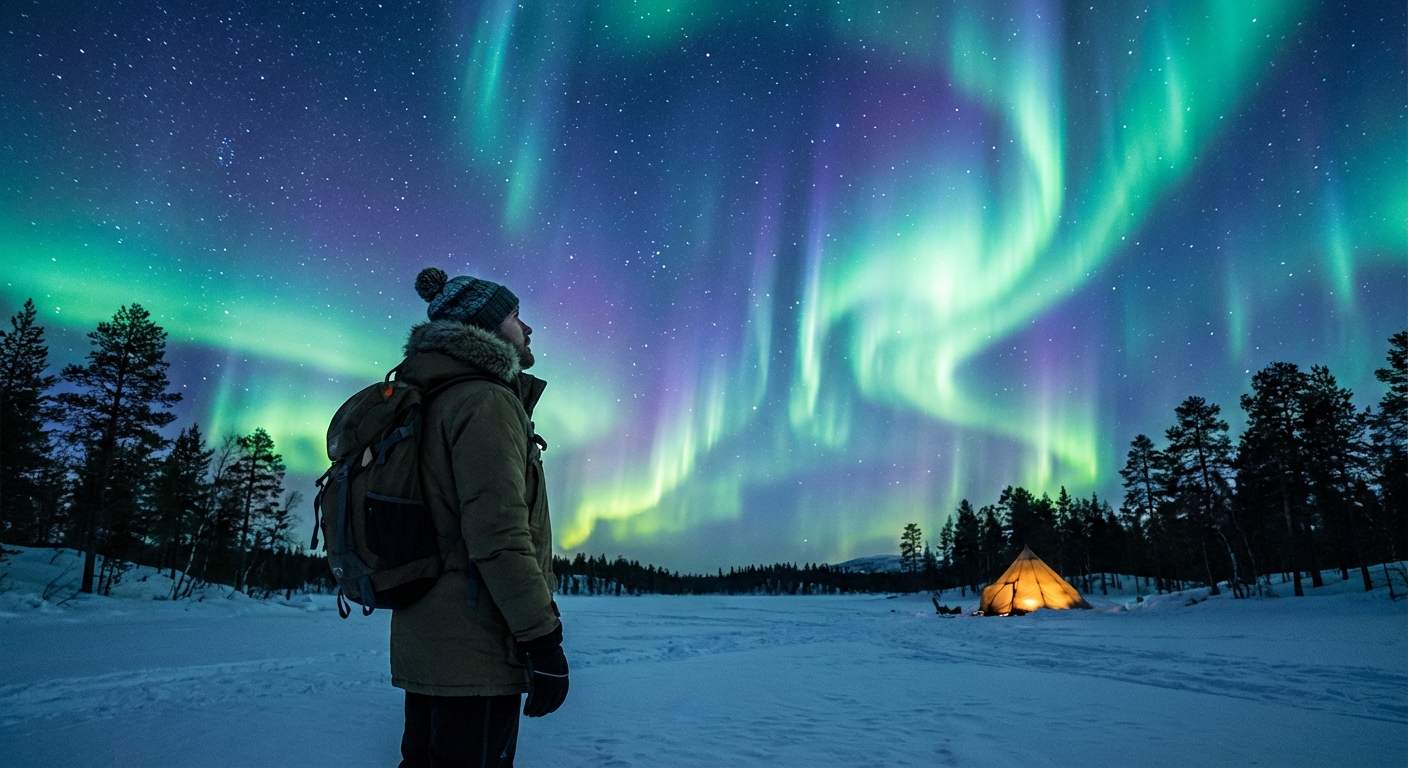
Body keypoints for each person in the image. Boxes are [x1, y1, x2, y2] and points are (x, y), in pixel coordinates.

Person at [390, 266, 568, 767]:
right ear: (484, 330)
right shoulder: (485, 401)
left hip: (431, 638)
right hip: (478, 647)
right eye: (515, 315)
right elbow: (499, 534)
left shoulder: (434, 397)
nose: (527, 328)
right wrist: (542, 639)